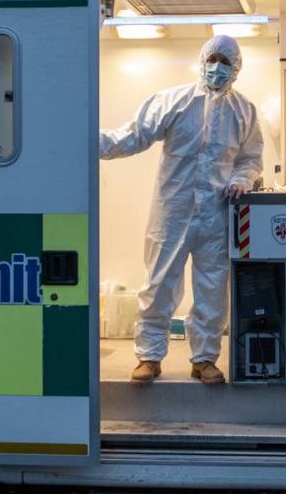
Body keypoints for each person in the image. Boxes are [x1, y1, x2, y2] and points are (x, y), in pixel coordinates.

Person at [100, 34, 264, 384]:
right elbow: (134, 136)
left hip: (216, 214)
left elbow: (251, 158)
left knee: (212, 289)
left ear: (236, 69)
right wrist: (89, 140)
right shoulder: (172, 101)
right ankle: (149, 356)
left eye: (225, 62)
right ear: (202, 59)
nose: (217, 68)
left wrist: (242, 179)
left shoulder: (243, 111)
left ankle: (204, 359)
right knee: (158, 284)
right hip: (172, 212)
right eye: (213, 59)